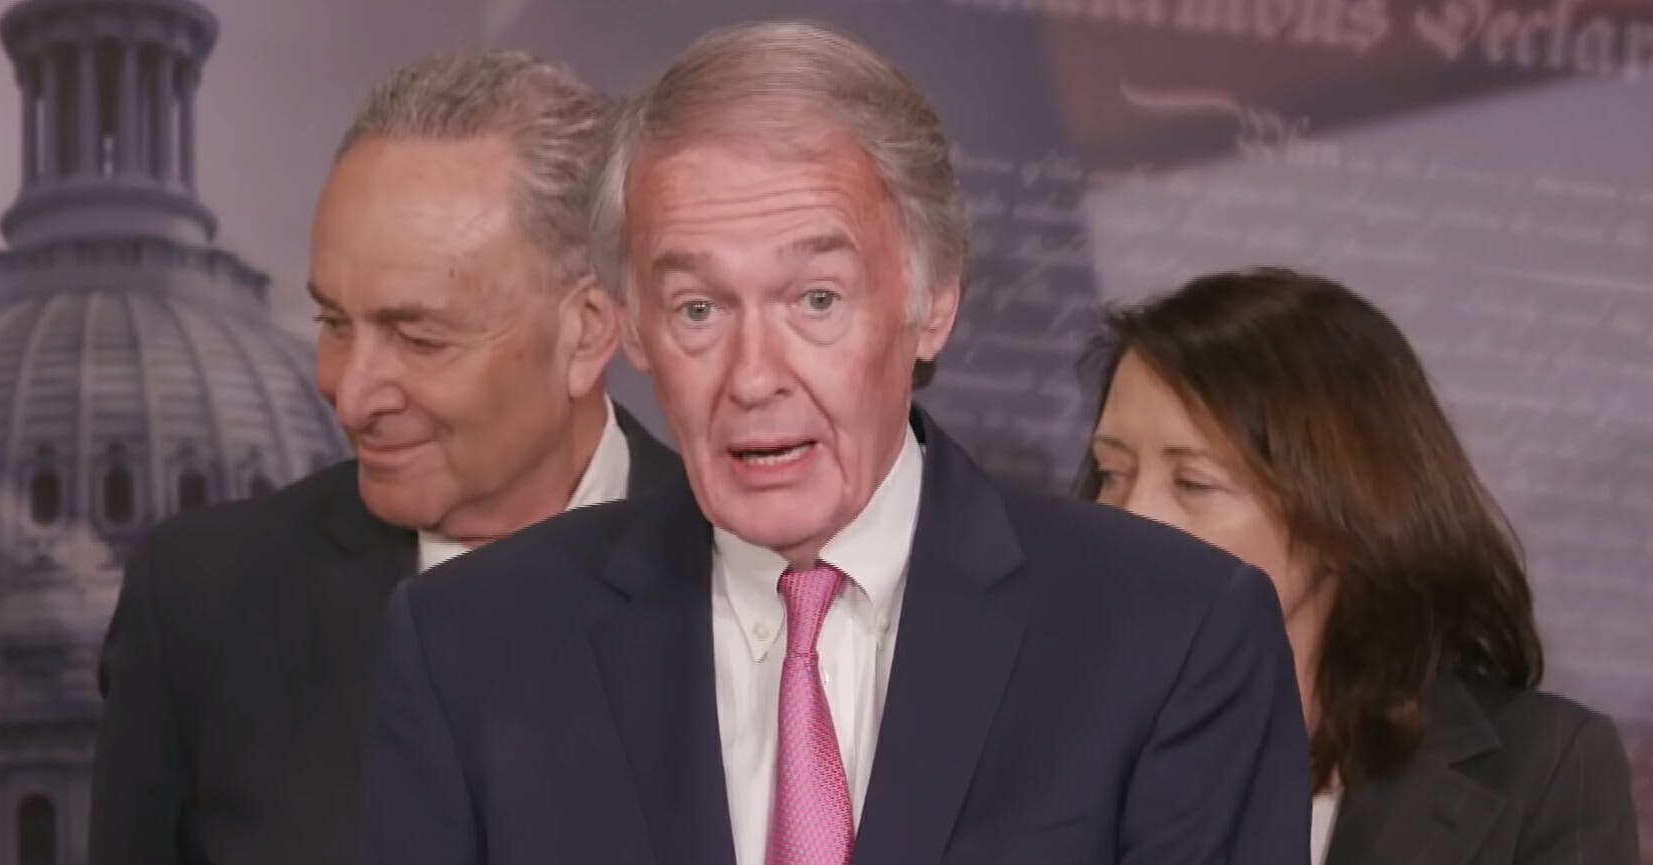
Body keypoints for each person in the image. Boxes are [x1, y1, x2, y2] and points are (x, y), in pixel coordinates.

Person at [360, 22, 1309, 865]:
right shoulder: (468, 652)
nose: (755, 375)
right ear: (633, 332)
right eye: (699, 308)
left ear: (932, 302)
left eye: (816, 298)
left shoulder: (1173, 634)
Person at [87, 50, 681, 865]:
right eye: (333, 322)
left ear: (588, 329)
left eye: (418, 336)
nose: (350, 391)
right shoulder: (198, 608)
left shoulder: (767, 576)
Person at [1080, 266, 1640, 865]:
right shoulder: (1042, 749)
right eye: (1112, 474)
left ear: (1341, 511)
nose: (1130, 516)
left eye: (1194, 482)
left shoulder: (1541, 770)